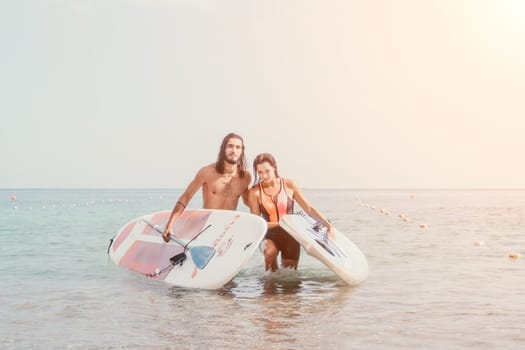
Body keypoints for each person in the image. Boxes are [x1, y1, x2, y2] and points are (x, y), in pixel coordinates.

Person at [248, 153, 333, 272]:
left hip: (291, 235)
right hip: (269, 235)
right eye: (260, 172)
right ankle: (267, 282)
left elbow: (308, 208)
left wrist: (327, 224)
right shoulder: (255, 192)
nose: (264, 176)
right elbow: (257, 223)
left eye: (267, 171)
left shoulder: (289, 185)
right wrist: (282, 224)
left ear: (274, 167)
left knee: (289, 279)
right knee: (270, 256)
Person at [162, 133, 252, 242]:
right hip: (208, 228)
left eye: (238, 147)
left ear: (242, 151)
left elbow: (249, 202)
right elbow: (186, 197)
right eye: (230, 146)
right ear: (223, 149)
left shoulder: (245, 177)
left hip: (228, 229)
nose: (234, 150)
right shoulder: (207, 172)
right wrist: (169, 224)